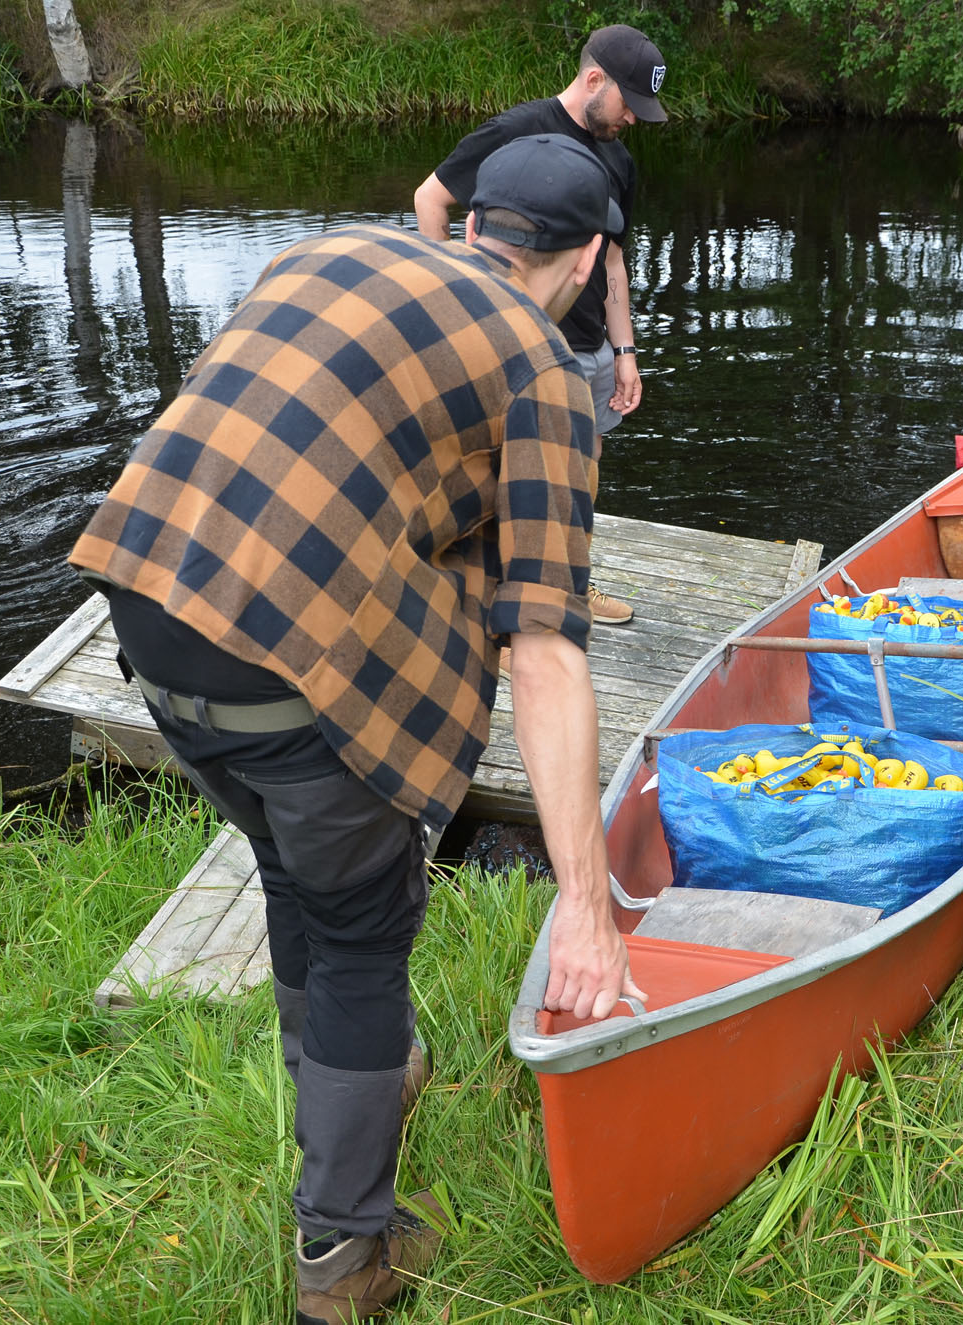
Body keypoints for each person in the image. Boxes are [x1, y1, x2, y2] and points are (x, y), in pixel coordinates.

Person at [68, 134, 645, 1325]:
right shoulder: (544, 369)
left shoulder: (323, 250)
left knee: (301, 876)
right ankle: (344, 1257)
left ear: (477, 218)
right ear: (588, 260)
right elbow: (542, 648)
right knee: (364, 929)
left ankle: (358, 1078)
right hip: (273, 664)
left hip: (142, 605)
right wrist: (582, 902)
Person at [413, 23, 667, 627]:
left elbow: (610, 257)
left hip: (589, 345)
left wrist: (625, 349)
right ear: (593, 79)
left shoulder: (619, 159)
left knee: (583, 469)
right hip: (514, 342)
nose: (632, 118)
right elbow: (430, 199)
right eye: (629, 104)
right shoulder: (515, 131)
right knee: (500, 473)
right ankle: (489, 604)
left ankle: (572, 584)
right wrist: (459, 306)